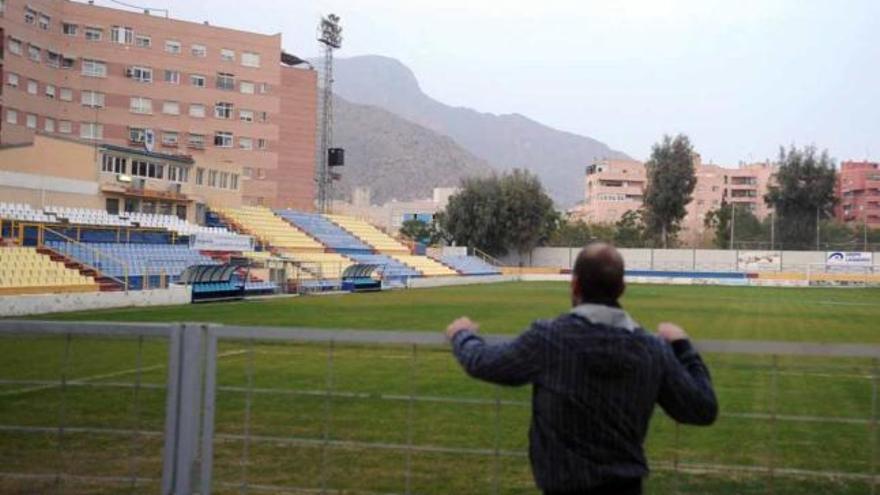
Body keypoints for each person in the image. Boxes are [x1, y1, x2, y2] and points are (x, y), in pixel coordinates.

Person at [445, 243, 717, 495]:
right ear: (621, 288)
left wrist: (462, 334)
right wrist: (682, 346)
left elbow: (483, 362)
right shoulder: (652, 349)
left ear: (574, 285)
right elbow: (701, 408)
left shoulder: (549, 339)